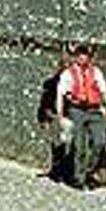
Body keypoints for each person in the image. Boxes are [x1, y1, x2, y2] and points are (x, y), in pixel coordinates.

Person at [55, 42, 106, 188]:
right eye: (80, 56)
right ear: (76, 58)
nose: (82, 59)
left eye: (85, 56)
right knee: (79, 145)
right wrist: (60, 114)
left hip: (94, 110)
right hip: (77, 109)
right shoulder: (68, 73)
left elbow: (104, 90)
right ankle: (78, 177)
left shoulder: (96, 72)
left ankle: (88, 170)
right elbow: (60, 94)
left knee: (100, 142)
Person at [36, 45, 73, 183]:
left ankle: (64, 170)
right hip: (56, 117)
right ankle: (58, 170)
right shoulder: (52, 83)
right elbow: (45, 102)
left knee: (67, 144)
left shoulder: (73, 83)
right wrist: (44, 117)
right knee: (58, 145)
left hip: (70, 117)